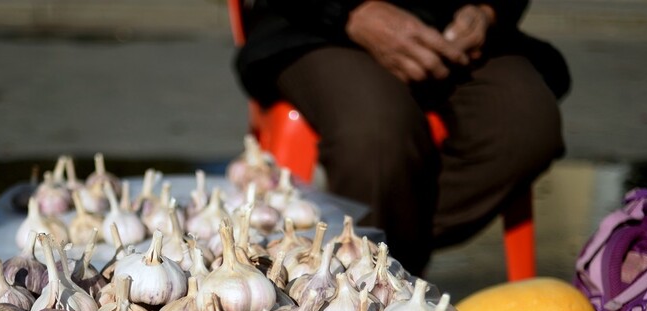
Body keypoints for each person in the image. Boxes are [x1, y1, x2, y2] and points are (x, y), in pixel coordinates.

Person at [233, 0, 570, 276]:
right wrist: (349, 12)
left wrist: (488, 11)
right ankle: (371, 277)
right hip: (314, 24)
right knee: (375, 134)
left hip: (451, 29)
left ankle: (382, 256)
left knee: (526, 124)